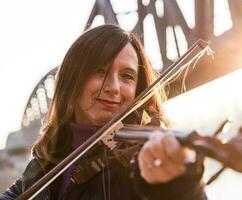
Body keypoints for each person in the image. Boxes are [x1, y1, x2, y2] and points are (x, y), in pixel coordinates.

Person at [0, 24, 207, 200]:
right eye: (100, 71)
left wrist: (184, 185)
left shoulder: (145, 159)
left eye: (127, 76)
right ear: (72, 81)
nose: (114, 87)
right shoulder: (48, 156)